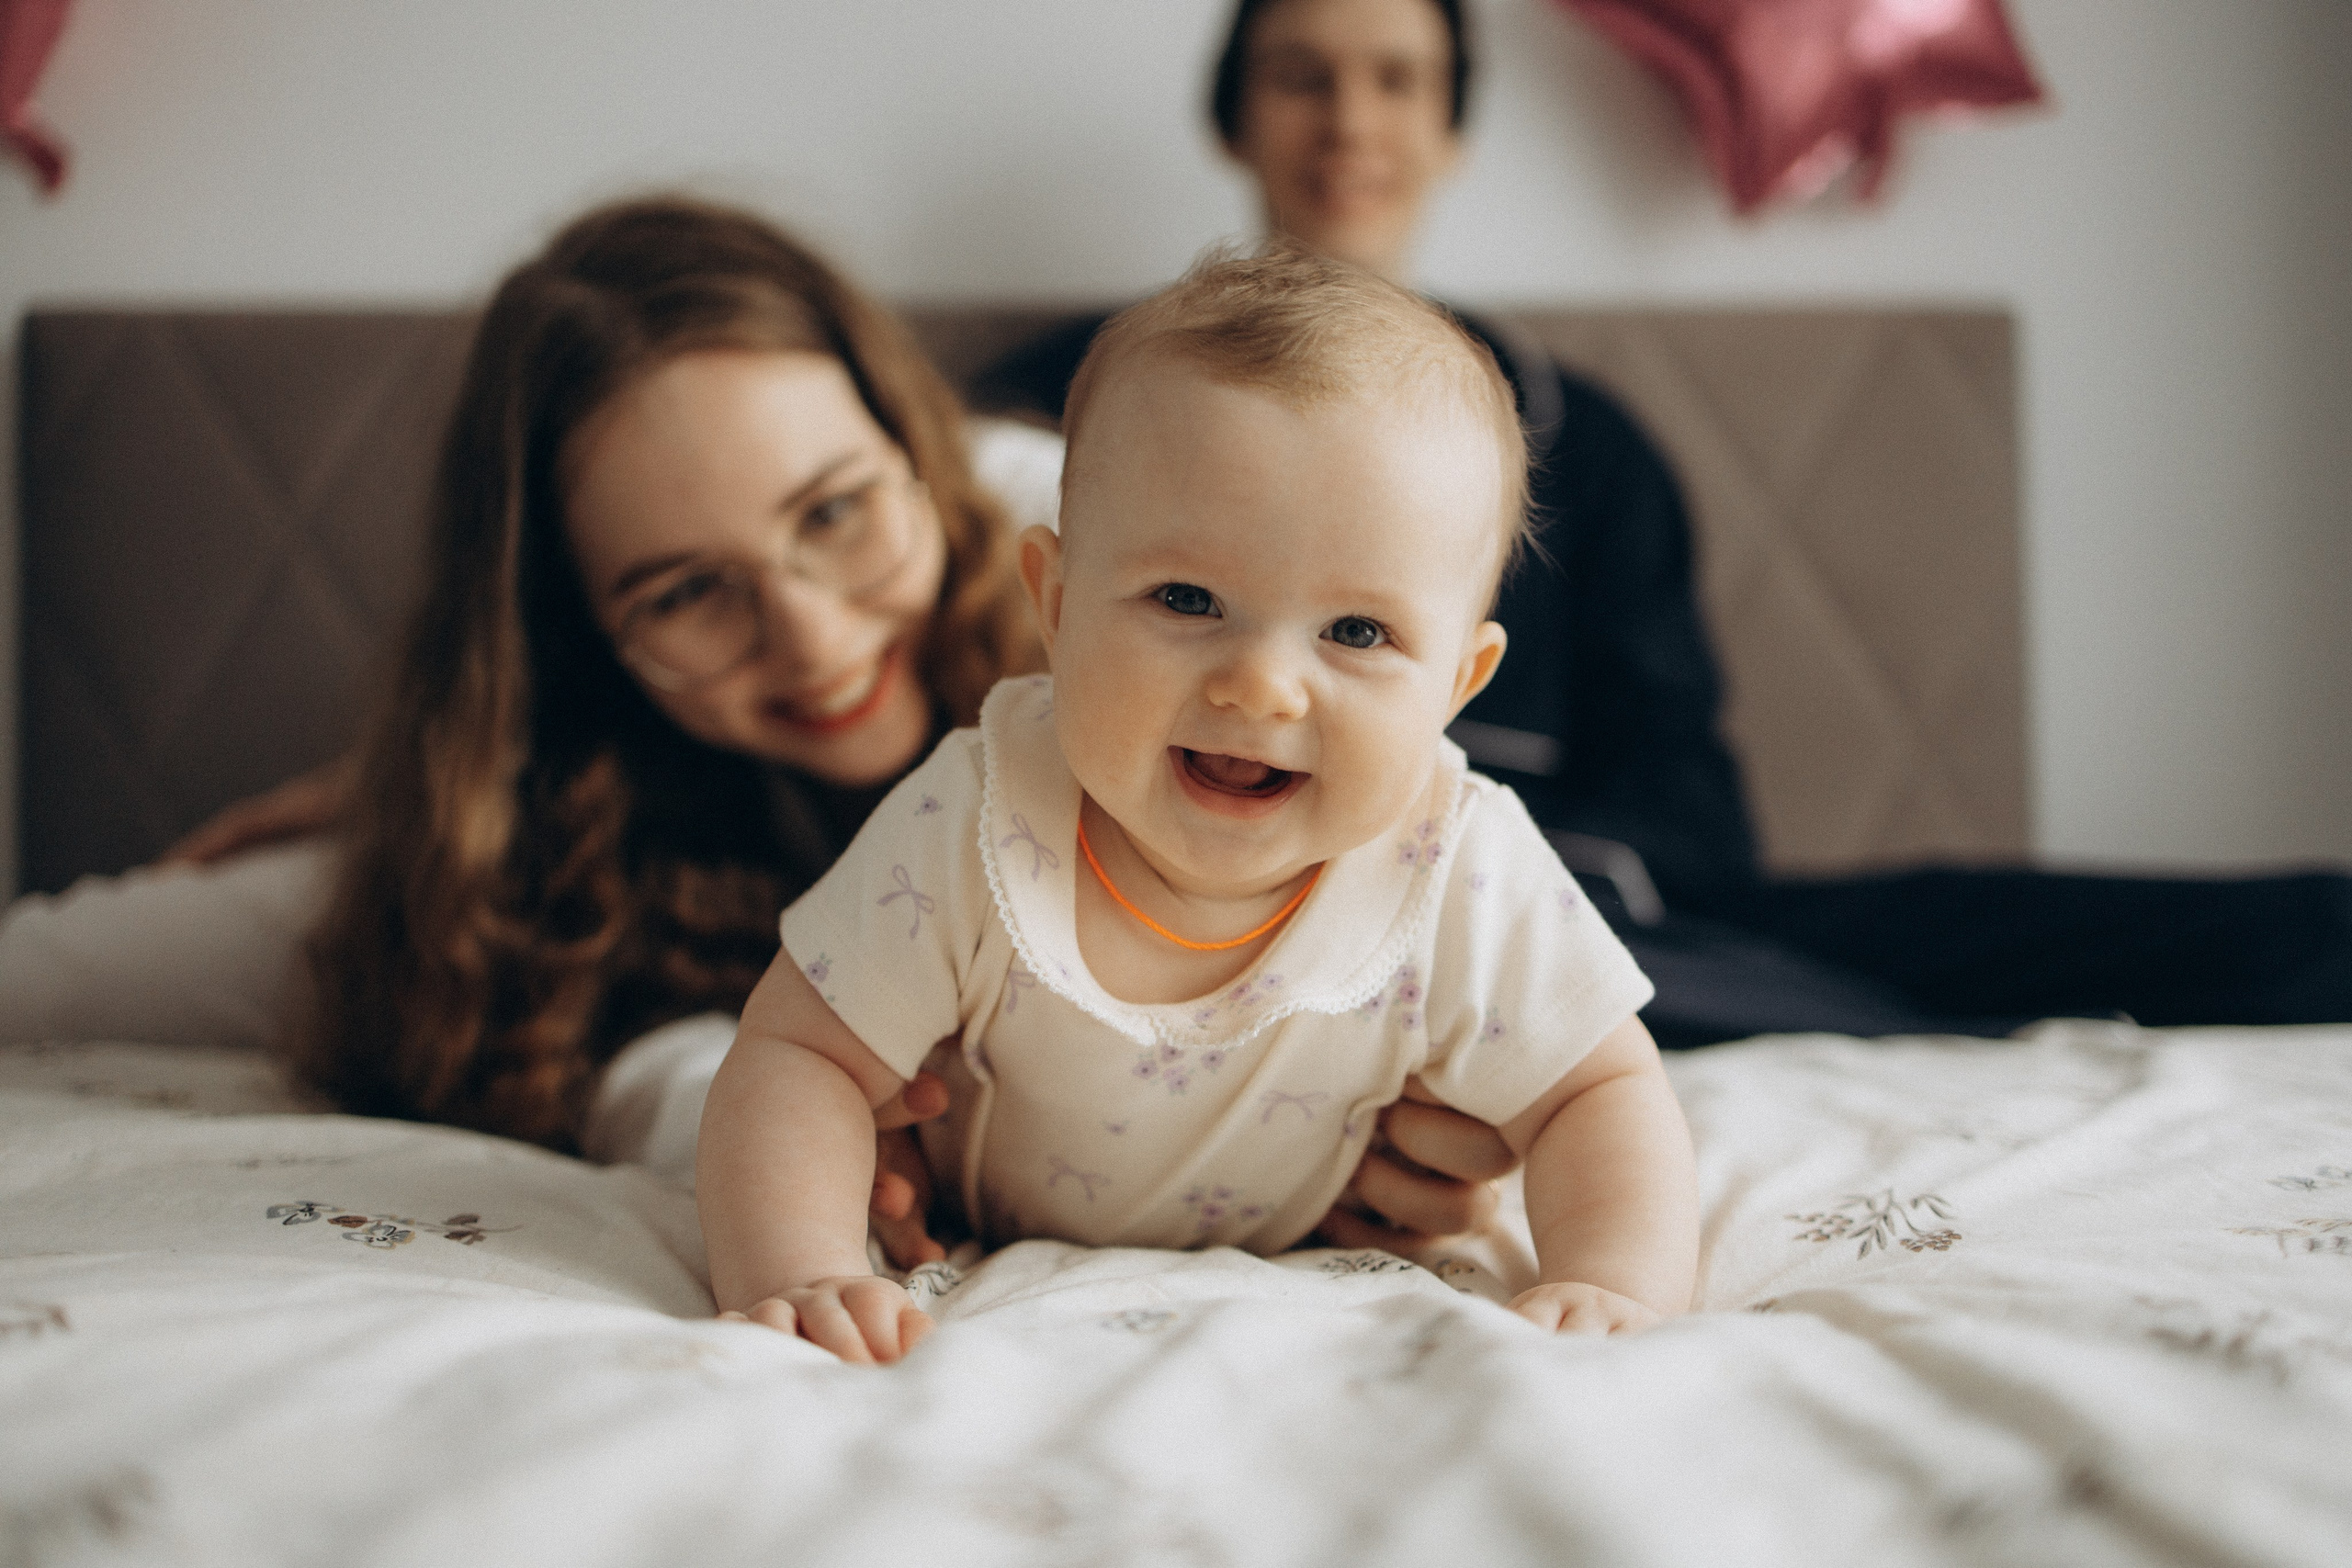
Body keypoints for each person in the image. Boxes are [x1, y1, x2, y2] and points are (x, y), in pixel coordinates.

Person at [85, 194, 1519, 1260]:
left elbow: (1399, 752)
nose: (816, 637)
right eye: (687, 591)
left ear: (919, 452)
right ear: (572, 637)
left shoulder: (1128, 534)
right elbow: (59, 967)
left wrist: (1462, 1122)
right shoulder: (487, 836)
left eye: (836, 511)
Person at [972, 0, 2352, 1044]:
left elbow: (1690, 807)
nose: (1350, 120)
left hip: (1587, 901)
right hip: (1181, 904)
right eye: (1300, 76)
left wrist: (1499, 878)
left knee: (2256, 933)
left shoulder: (1594, 446)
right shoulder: (1057, 416)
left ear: (1452, 131)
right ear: (1233, 122)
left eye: (1399, 80)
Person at [698, 247, 1698, 1363]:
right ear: (1057, 601)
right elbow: (801, 1057)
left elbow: (1599, 1089)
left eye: (1356, 632)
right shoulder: (978, 815)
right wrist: (804, 1264)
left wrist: (1613, 1280)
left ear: (1459, 685)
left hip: (1317, 1243)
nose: (1261, 685)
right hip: (976, 1224)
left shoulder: (1456, 862)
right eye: (1187, 599)